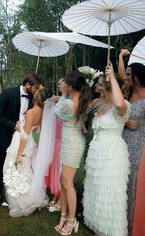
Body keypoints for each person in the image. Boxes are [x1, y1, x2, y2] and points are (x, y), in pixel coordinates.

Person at [83, 63, 131, 236]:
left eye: (102, 83)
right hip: (97, 154)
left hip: (112, 156)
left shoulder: (123, 105)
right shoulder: (102, 105)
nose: (99, 85)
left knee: (109, 194)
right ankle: (99, 228)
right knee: (97, 192)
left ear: (110, 86)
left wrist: (112, 76)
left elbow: (118, 102)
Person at [0, 73, 41, 208]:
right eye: (34, 88)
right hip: (3, 135)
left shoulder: (33, 98)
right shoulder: (7, 93)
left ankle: (15, 194)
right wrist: (14, 126)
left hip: (20, 138)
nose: (36, 91)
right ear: (27, 85)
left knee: (17, 165)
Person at [54, 71, 91, 235]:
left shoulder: (68, 103)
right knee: (63, 179)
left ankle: (71, 220)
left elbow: (56, 112)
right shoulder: (81, 100)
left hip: (72, 144)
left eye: (64, 85)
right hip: (70, 141)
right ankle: (63, 215)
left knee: (67, 182)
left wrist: (62, 95)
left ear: (69, 87)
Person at [3, 87, 50, 217]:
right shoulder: (43, 112)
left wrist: (18, 154)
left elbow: (24, 135)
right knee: (26, 171)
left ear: (37, 97)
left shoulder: (31, 112)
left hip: (21, 144)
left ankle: (22, 203)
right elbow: (34, 129)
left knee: (13, 170)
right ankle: (33, 197)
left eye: (37, 92)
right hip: (31, 144)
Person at [118, 50, 145, 235]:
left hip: (138, 148)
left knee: (133, 186)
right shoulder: (127, 96)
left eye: (128, 75)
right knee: (122, 184)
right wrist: (124, 122)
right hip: (122, 146)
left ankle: (132, 226)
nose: (125, 77)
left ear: (136, 77)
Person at [45, 79, 65, 212]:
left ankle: (60, 197)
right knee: (53, 165)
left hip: (64, 138)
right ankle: (55, 193)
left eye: (61, 83)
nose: (59, 85)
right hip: (55, 137)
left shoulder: (69, 100)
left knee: (59, 167)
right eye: (58, 84)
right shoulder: (58, 99)